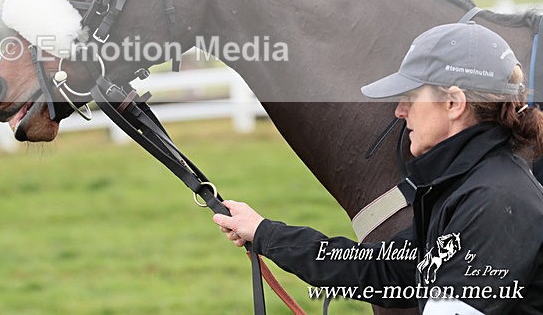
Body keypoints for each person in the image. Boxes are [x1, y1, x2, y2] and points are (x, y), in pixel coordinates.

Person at [213, 22, 543, 313]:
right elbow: (382, 268)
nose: (400, 111)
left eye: (411, 96)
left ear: (454, 103)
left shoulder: (495, 202)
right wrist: (265, 233)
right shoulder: (466, 185)